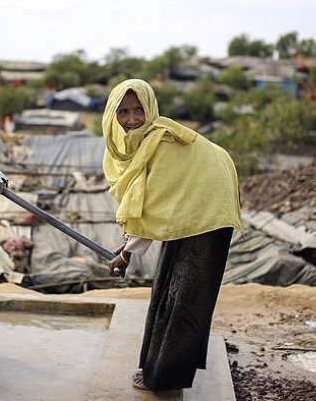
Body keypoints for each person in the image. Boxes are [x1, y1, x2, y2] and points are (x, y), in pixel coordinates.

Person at [102, 78, 243, 391]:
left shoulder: (160, 145)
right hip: (189, 207)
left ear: (151, 108)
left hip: (208, 210)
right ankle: (157, 367)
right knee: (166, 288)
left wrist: (125, 253)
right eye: (123, 112)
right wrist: (127, 247)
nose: (132, 119)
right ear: (111, 115)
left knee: (185, 298)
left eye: (139, 110)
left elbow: (149, 209)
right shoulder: (129, 146)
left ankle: (165, 379)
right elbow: (142, 208)